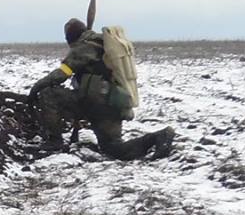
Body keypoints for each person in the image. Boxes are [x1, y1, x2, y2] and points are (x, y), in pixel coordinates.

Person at [31, 16, 175, 160]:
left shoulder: (83, 47)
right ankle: (158, 137)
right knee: (114, 149)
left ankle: (54, 141)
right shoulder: (102, 44)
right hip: (113, 102)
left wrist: (36, 88)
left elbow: (62, 74)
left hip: (95, 103)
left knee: (49, 94)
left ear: (70, 38)